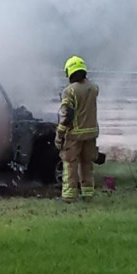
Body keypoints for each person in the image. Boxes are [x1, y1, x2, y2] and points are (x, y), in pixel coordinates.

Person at [55, 56, 99, 202]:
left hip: (74, 135)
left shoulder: (69, 91)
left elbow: (66, 116)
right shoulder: (94, 88)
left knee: (70, 165)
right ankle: (87, 194)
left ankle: (68, 196)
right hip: (91, 133)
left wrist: (59, 135)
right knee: (87, 164)